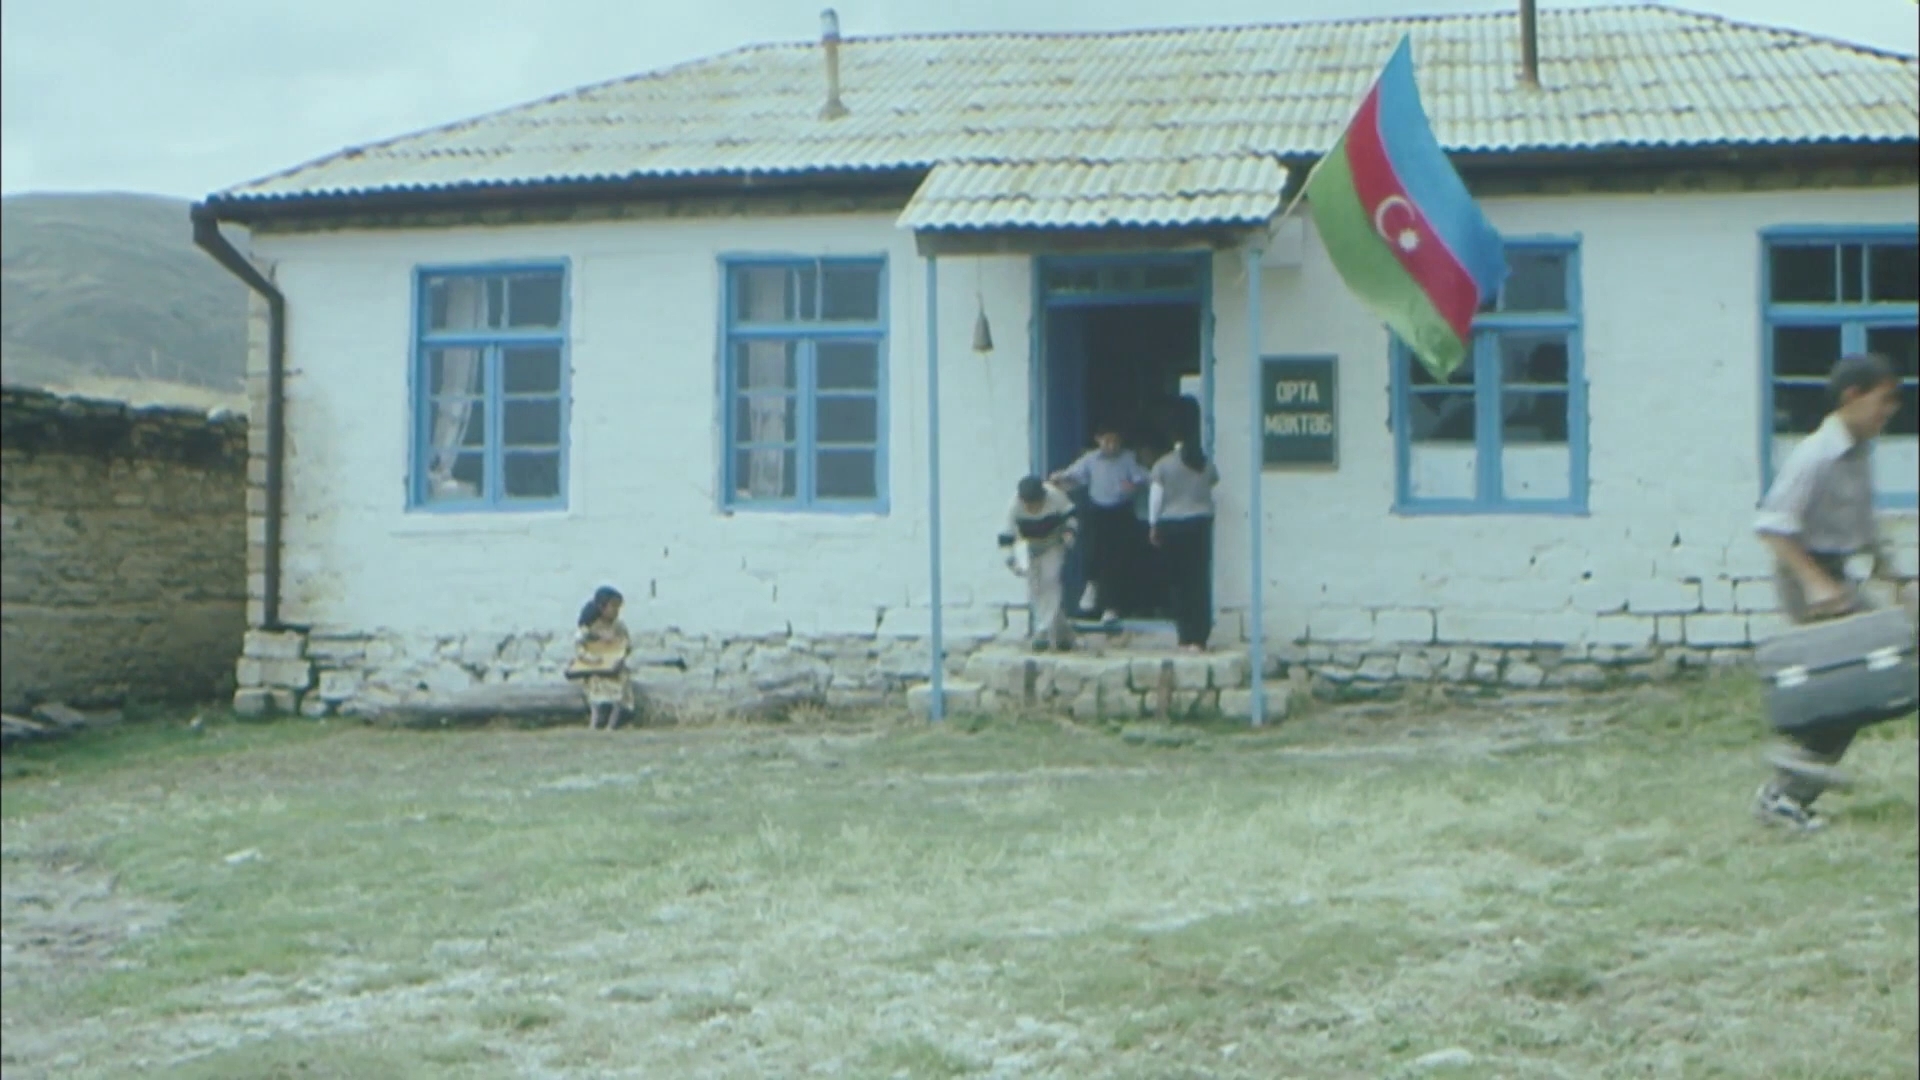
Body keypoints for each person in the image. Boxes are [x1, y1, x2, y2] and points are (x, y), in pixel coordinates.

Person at [1750, 352, 1909, 831]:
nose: (1890, 411)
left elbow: (1865, 528)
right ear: (1852, 396)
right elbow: (1773, 526)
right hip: (1808, 577)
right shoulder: (1816, 454)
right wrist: (1816, 582)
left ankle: (1788, 782)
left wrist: (1896, 579)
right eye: (1884, 400)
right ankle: (1783, 791)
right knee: (1849, 688)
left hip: (1838, 574)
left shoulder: (1858, 454)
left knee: (1867, 680)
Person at [1049, 421, 1150, 624]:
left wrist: (1135, 485)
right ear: (1098, 440)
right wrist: (1059, 478)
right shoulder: (1091, 459)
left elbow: (1144, 477)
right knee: (1093, 554)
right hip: (1097, 512)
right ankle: (1091, 592)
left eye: (1115, 441)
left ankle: (1112, 607)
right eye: (1107, 441)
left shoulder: (1128, 458)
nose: (1112, 446)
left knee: (1117, 560)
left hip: (1120, 512)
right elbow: (1073, 475)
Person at [1148, 425, 1220, 652]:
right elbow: (1213, 482)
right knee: (1199, 580)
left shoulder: (1163, 464)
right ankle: (1200, 636)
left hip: (1173, 525)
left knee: (1179, 582)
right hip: (1200, 524)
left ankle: (1185, 635)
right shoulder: (1205, 462)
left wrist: (1153, 524)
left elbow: (1156, 498)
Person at [999, 475, 1079, 652]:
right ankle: (1064, 635)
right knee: (1035, 588)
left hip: (1052, 542)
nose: (1033, 508)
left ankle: (1043, 631)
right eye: (1029, 505)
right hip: (1028, 545)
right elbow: (1006, 536)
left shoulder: (1054, 495)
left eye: (1037, 504)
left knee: (1050, 581)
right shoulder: (1013, 507)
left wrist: (1070, 532)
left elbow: (1071, 514)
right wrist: (1011, 561)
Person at [567, 586, 635, 730]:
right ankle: (595, 720)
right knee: (595, 684)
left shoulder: (619, 626)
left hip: (614, 667)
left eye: (618, 607)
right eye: (613, 606)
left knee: (621, 684)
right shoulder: (590, 626)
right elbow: (579, 645)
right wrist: (592, 657)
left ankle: (612, 723)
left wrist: (619, 650)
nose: (616, 611)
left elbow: (626, 645)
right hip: (594, 667)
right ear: (602, 607)